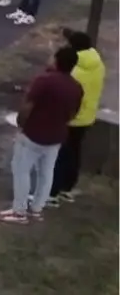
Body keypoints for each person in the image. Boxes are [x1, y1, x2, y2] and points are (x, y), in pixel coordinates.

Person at [0, 46, 83, 224]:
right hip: (57, 136)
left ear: (57, 60)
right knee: (46, 172)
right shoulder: (76, 87)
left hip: (34, 134)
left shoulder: (44, 80)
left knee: (21, 170)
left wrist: (21, 123)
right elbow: (74, 113)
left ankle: (19, 212)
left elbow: (28, 104)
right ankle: (36, 209)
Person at [48, 30, 106, 206]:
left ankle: (52, 193)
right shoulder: (98, 64)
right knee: (74, 152)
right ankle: (67, 188)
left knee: (60, 155)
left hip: (70, 118)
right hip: (87, 117)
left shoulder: (74, 71)